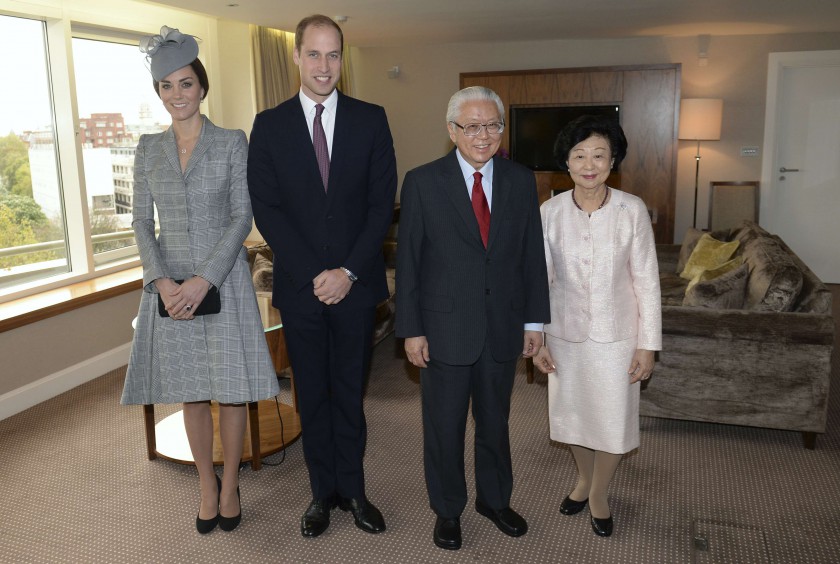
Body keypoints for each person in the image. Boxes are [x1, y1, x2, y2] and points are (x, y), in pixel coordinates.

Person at [121, 26, 280, 534]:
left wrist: (204, 279)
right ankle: (205, 486)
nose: (177, 95)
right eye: (166, 86)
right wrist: (163, 283)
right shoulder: (146, 149)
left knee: (231, 392)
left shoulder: (232, 141)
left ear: (201, 85)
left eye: (185, 83)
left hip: (223, 283)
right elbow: (142, 223)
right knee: (191, 391)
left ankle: (230, 483)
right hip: (169, 288)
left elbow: (241, 216)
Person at [247, 15, 397, 538]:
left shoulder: (371, 118)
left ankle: (353, 491)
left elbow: (382, 205)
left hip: (356, 290)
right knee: (311, 395)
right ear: (296, 57)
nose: (324, 66)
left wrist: (348, 271)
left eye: (334, 55)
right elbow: (267, 208)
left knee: (349, 394)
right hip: (302, 289)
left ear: (342, 59)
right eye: (314, 54)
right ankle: (319, 494)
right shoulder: (268, 125)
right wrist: (317, 274)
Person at [395, 86, 550, 551]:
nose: (483, 136)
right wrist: (411, 328)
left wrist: (534, 324)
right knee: (443, 427)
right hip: (443, 330)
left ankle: (494, 500)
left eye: (492, 125)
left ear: (502, 129)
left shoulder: (521, 180)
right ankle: (447, 509)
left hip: (502, 327)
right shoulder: (422, 182)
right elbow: (409, 263)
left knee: (496, 423)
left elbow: (531, 257)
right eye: (472, 126)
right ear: (451, 130)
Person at [532, 115, 662, 538]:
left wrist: (648, 345)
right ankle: (583, 480)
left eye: (599, 155)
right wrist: (539, 340)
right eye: (579, 155)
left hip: (618, 336)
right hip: (564, 334)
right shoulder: (548, 212)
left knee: (611, 419)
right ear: (566, 163)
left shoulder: (632, 209)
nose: (589, 164)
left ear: (613, 160)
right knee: (570, 417)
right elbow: (540, 280)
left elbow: (647, 280)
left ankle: (599, 493)